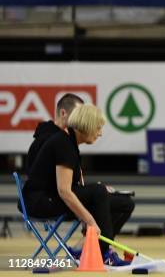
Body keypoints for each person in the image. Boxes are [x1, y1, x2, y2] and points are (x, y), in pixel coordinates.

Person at [20, 104, 129, 266]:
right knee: (98, 192)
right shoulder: (63, 143)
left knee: (125, 203)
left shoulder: (70, 142)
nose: (100, 133)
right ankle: (103, 252)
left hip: (52, 196)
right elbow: (64, 191)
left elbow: (72, 187)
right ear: (87, 125)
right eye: (98, 128)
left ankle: (85, 249)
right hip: (39, 202)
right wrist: (90, 221)